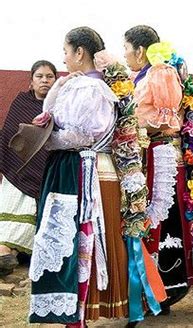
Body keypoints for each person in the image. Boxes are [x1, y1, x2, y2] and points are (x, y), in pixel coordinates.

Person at [28, 26, 129, 324]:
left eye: (65, 50)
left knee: (77, 237)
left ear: (80, 52)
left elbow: (81, 134)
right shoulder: (79, 85)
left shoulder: (90, 88)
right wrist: (57, 91)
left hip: (80, 169)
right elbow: (56, 120)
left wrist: (45, 140)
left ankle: (78, 311)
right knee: (66, 237)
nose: (63, 56)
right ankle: (73, 310)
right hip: (72, 167)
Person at [123, 25, 193, 315]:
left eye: (127, 48)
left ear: (140, 50)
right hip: (142, 153)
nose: (125, 54)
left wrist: (133, 129)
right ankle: (145, 290)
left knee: (159, 217)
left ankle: (163, 288)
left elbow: (167, 120)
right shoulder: (137, 76)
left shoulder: (160, 73)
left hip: (157, 153)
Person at [0, 60, 57, 276]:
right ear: (31, 82)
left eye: (49, 77)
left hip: (47, 172)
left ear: (55, 80)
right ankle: (7, 250)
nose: (44, 81)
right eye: (39, 77)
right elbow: (10, 137)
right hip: (16, 172)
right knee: (14, 203)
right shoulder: (21, 102)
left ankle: (16, 252)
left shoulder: (59, 107)